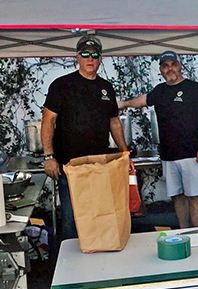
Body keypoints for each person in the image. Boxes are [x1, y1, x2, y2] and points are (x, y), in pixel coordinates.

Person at [41, 35, 128, 240]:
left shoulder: (106, 88)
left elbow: (114, 122)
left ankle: (98, 263)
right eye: (86, 54)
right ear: (78, 57)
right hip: (70, 165)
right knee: (72, 219)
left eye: (95, 55)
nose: (90, 59)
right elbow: (48, 120)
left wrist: (125, 152)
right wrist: (48, 156)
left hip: (100, 165)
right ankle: (70, 267)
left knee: (100, 216)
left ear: (100, 59)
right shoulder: (62, 85)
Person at [118, 51, 198, 229]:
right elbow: (143, 100)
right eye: (165, 66)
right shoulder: (160, 91)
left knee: (194, 196)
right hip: (168, 155)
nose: (170, 69)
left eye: (173, 64)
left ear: (180, 65)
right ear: (161, 70)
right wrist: (123, 104)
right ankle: (184, 231)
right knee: (177, 196)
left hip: (191, 154)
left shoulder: (195, 89)